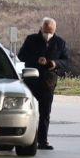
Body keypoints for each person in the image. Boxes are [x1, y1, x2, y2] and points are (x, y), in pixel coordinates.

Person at [18, 17, 70, 150]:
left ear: (54, 30)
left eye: (50, 32)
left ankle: (43, 141)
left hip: (48, 82)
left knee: (45, 112)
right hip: (31, 80)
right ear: (41, 28)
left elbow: (66, 61)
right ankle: (24, 138)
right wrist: (36, 59)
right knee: (27, 111)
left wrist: (54, 63)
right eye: (46, 31)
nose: (48, 34)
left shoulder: (60, 43)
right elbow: (21, 55)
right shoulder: (31, 40)